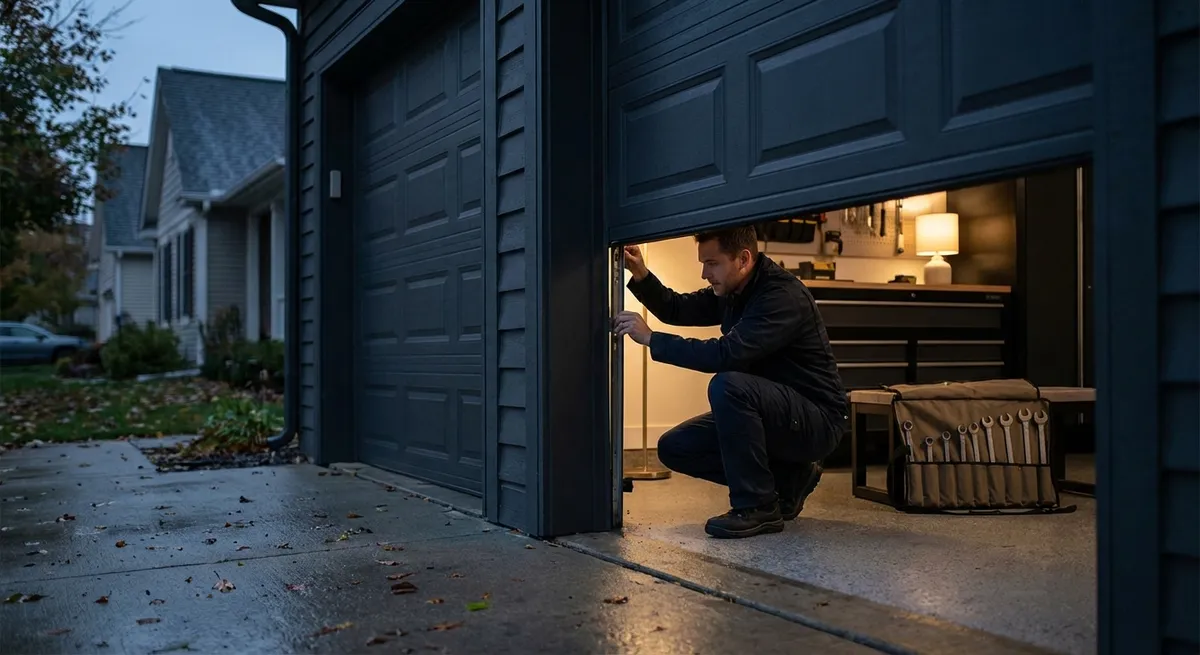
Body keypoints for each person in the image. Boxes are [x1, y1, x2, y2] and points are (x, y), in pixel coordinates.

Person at [613, 226, 846, 539]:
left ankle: (758, 506)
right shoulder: (736, 289)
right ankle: (787, 481)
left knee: (729, 385)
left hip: (816, 420)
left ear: (743, 259)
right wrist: (640, 273)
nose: (704, 274)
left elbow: (727, 354)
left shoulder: (780, 296)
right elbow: (677, 307)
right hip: (775, 413)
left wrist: (652, 339)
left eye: (711, 263)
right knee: (675, 448)